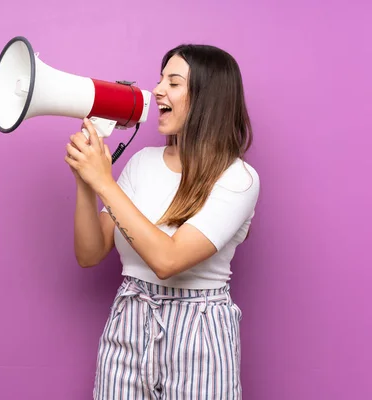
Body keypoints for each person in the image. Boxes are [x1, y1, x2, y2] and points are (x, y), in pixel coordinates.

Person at [64, 44, 260, 400]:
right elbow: (90, 254)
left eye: (174, 82)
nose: (157, 91)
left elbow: (167, 261)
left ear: (208, 97)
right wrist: (86, 181)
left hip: (199, 333)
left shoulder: (239, 178)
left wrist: (105, 181)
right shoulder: (142, 162)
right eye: (159, 80)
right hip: (130, 323)